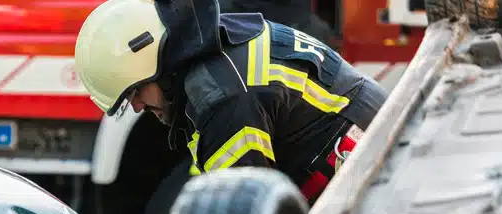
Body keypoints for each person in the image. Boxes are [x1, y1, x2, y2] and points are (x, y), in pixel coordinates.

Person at [74, 0, 387, 203]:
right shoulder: (214, 52)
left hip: (369, 170)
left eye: (136, 92)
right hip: (366, 144)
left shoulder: (223, 98)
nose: (139, 107)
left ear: (159, 67)